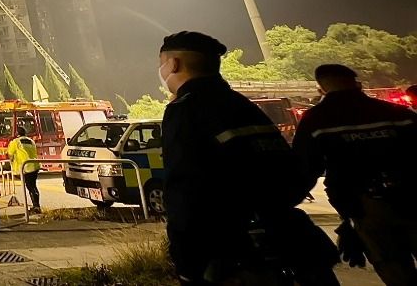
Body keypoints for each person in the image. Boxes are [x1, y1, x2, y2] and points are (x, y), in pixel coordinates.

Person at [157, 31, 338, 285]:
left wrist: (187, 262)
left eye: (161, 64)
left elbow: (185, 189)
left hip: (234, 254)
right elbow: (292, 172)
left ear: (173, 64)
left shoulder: (185, 110)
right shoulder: (243, 104)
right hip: (293, 242)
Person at [292, 63, 417, 285]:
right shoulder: (397, 114)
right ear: (356, 83)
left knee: (395, 269)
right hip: (411, 197)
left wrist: (286, 201)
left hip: (367, 207)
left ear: (321, 88)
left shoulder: (316, 120)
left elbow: (305, 168)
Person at [7, 126, 41, 213]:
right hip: (35, 166)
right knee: (33, 186)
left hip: (26, 167)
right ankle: (36, 206)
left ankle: (36, 207)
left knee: (30, 187)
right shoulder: (31, 141)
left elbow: (10, 154)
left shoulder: (15, 142)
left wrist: (12, 161)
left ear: (17, 134)